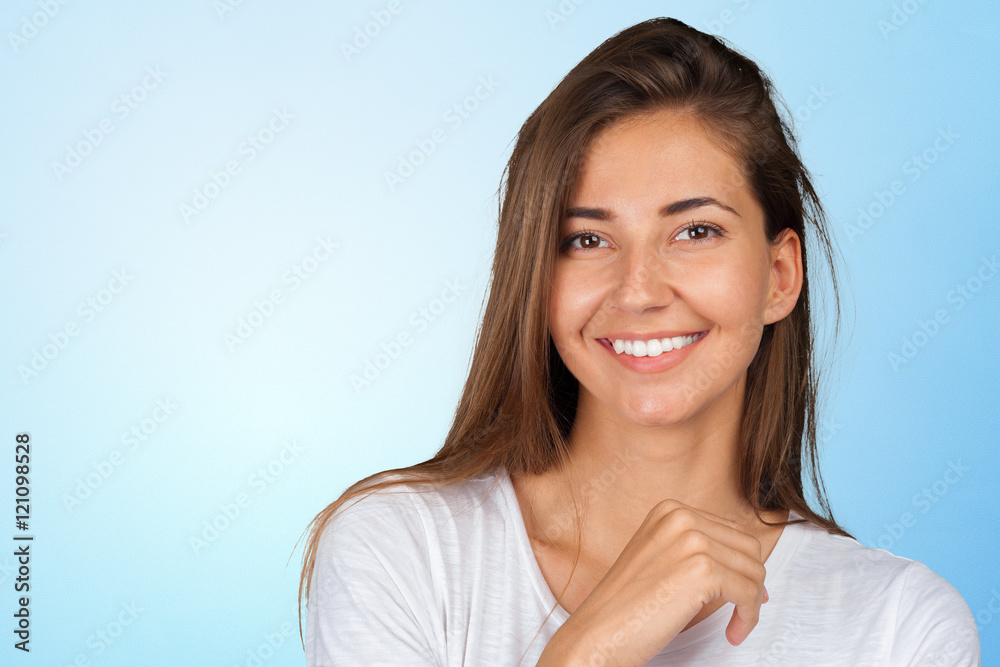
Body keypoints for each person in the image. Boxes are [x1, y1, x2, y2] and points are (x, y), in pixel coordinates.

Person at [297, 17, 981, 666]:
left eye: (695, 231)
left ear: (779, 275)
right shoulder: (399, 551)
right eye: (588, 239)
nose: (639, 290)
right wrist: (591, 647)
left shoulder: (899, 625)